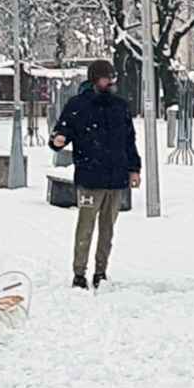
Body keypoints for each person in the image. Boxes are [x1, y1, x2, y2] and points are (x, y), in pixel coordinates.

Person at [52, 59, 140, 289]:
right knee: (86, 226)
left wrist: (134, 168)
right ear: (94, 80)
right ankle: (79, 273)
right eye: (106, 78)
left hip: (116, 177)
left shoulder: (120, 106)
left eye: (112, 78)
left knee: (108, 229)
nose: (110, 82)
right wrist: (58, 140)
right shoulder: (77, 105)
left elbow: (129, 141)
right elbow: (61, 132)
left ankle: (101, 271)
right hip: (90, 177)